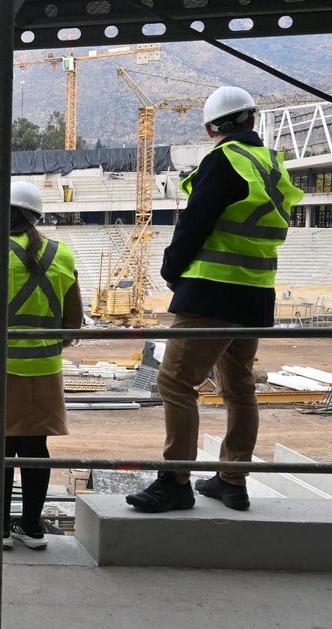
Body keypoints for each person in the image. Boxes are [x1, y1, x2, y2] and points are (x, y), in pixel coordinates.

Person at [127, 86, 303, 513]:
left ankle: (175, 481)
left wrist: (171, 270)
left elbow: (196, 222)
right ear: (252, 120)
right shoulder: (272, 163)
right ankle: (231, 480)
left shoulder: (224, 160)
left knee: (174, 382)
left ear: (211, 128)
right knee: (239, 386)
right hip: (256, 294)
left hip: (211, 293)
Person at [0, 182, 82, 550]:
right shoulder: (62, 253)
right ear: (36, 216)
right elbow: (73, 322)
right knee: (36, 449)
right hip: (44, 370)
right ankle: (31, 527)